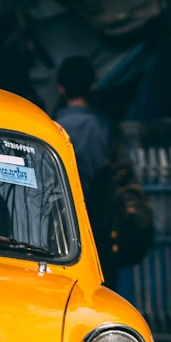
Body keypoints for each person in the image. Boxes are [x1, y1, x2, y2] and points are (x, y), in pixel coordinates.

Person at [54, 55, 122, 288]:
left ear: (61, 88)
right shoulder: (106, 128)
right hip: (100, 223)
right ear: (92, 86)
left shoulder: (52, 128)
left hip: (60, 227)